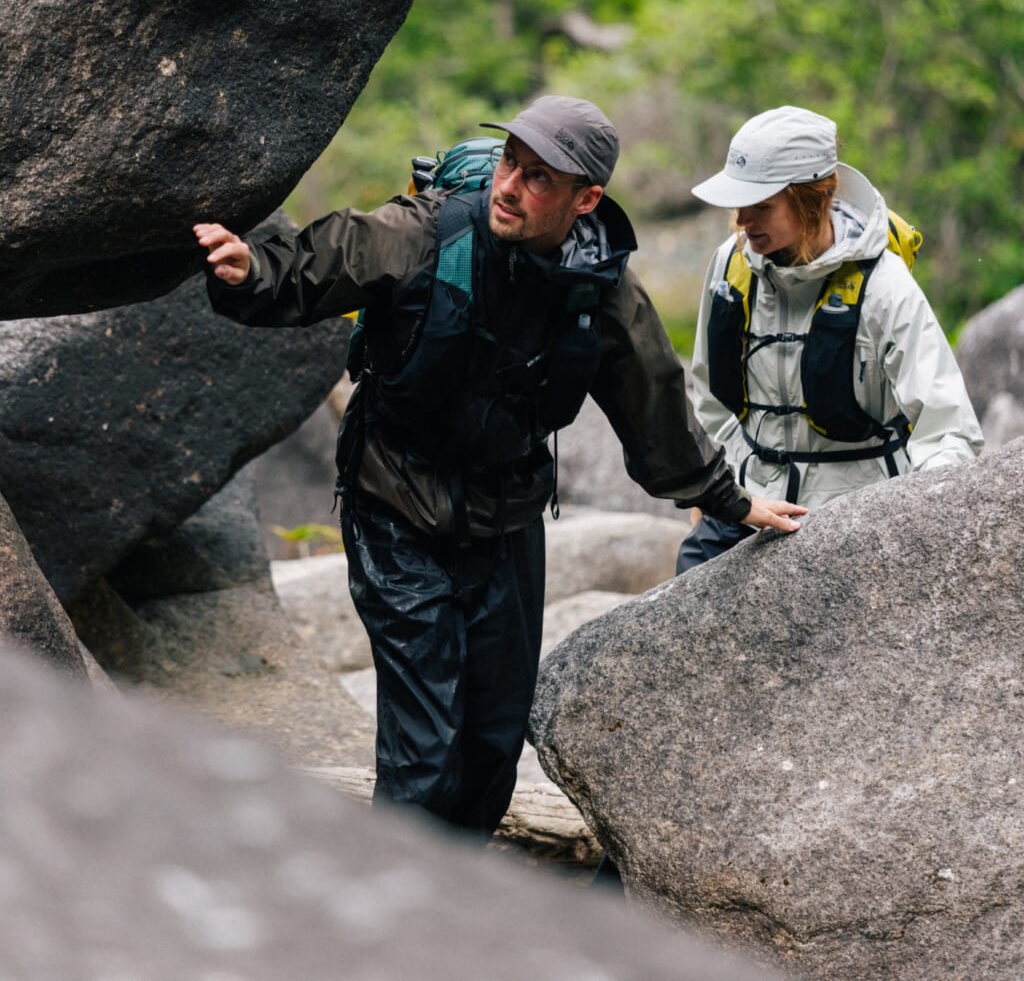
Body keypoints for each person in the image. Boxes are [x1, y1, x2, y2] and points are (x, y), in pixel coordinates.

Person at [194, 95, 806, 840]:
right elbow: (322, 261)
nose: (510, 186)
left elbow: (653, 404)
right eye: (510, 162)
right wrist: (249, 267)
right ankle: (392, 925)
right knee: (425, 757)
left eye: (538, 177)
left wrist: (729, 501)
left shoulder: (599, 286)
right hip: (395, 508)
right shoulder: (428, 232)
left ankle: (460, 908)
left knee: (491, 744)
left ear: (586, 200)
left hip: (507, 518)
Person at [677, 104, 983, 574]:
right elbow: (708, 394)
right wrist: (716, 492)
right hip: (747, 503)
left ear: (813, 196)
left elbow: (947, 428)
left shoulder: (884, 285)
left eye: (761, 205)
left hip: (851, 517)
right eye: (740, 203)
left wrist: (918, 532)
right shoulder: (730, 264)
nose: (742, 220)